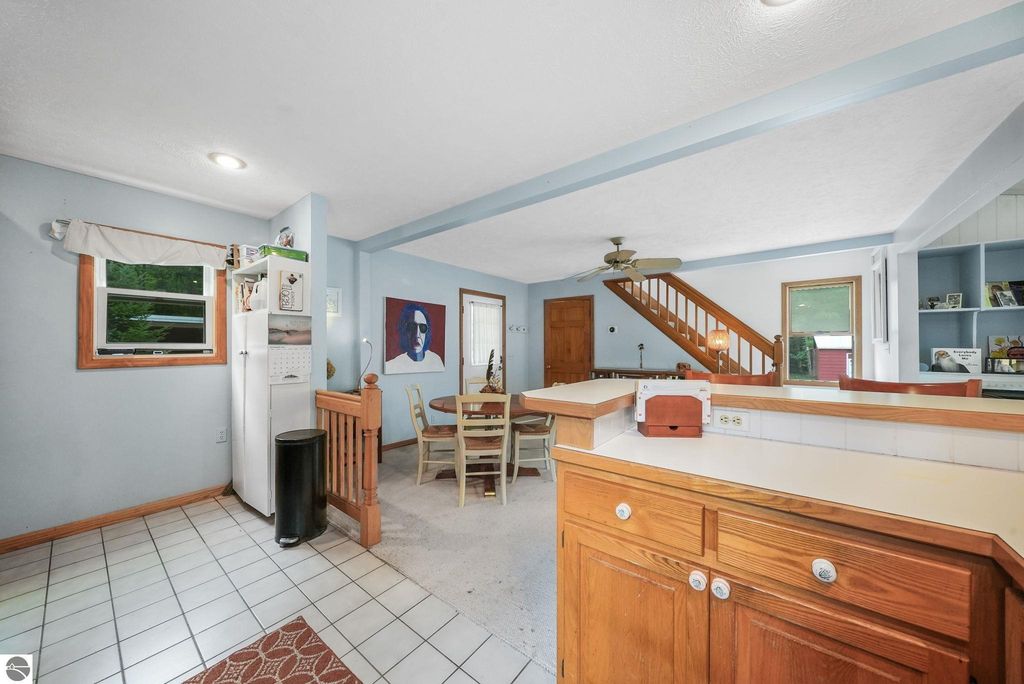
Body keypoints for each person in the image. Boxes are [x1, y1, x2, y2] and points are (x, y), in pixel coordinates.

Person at [385, 303, 444, 373]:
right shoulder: (392, 366)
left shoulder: (436, 360)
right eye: (412, 327)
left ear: (427, 332)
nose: (417, 334)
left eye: (422, 327)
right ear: (404, 331)